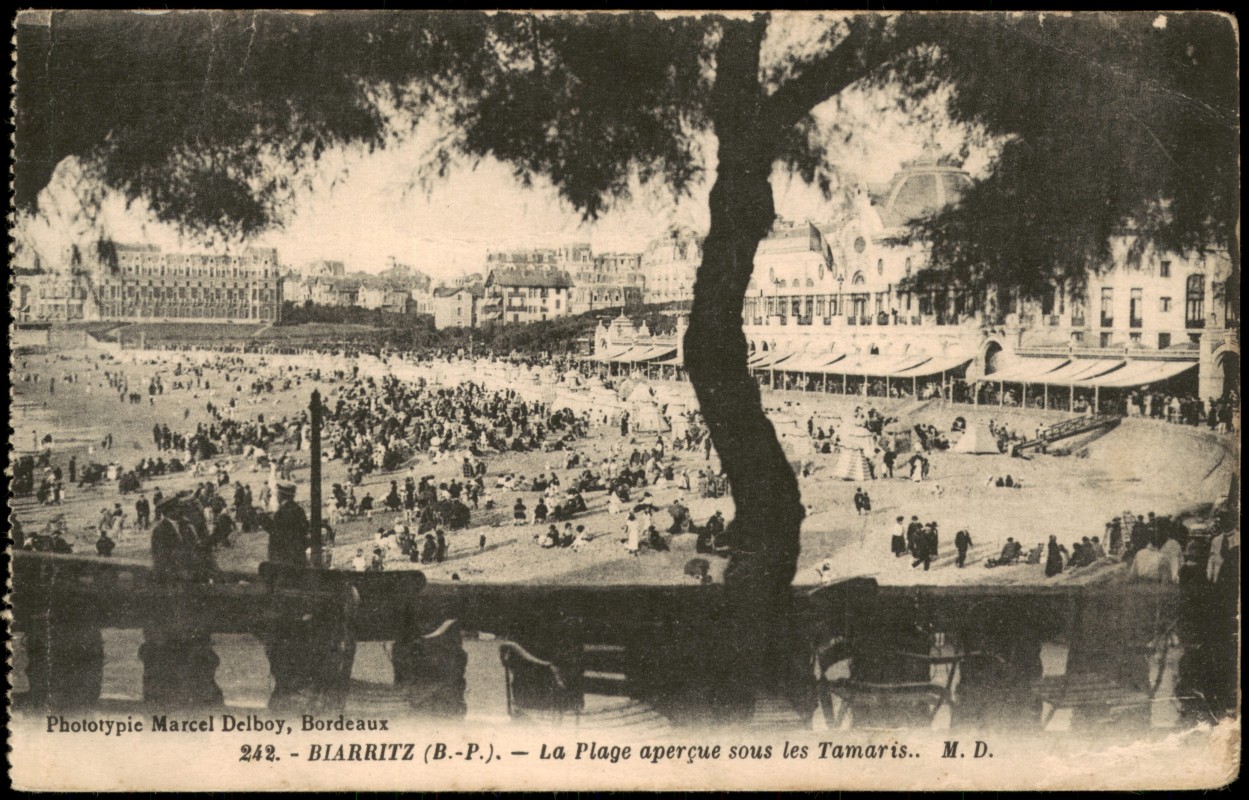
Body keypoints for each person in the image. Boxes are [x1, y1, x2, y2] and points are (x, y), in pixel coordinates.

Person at [265, 481, 309, 567]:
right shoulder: (299, 510)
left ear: (281, 495)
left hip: (283, 558)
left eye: (277, 494)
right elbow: (304, 528)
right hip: (298, 556)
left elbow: (276, 533)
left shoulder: (281, 512)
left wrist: (264, 521)